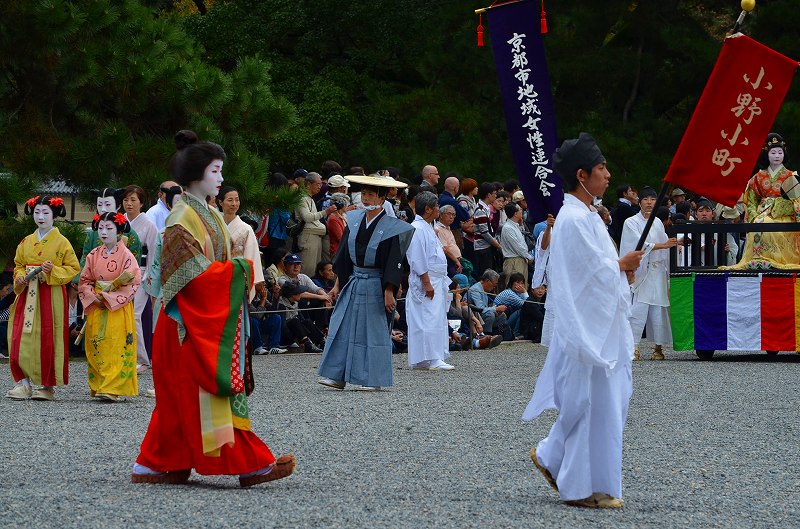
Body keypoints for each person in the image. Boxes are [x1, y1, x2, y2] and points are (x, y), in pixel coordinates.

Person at [132, 130, 294, 487]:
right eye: (216, 171)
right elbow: (187, 276)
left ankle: (159, 464)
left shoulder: (207, 213)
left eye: (221, 171)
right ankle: (248, 464)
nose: (221, 179)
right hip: (186, 323)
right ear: (197, 175)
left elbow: (204, 268)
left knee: (181, 400)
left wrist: (233, 270)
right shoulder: (181, 218)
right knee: (203, 396)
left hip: (199, 320)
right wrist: (239, 271)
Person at [523, 132, 643, 509]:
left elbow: (598, 271)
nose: (607, 175)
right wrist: (619, 266)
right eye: (601, 168)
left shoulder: (586, 215)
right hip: (588, 330)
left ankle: (553, 456)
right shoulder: (573, 220)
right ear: (581, 175)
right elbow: (582, 278)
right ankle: (582, 486)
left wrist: (621, 270)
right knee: (592, 405)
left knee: (610, 401)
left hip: (602, 326)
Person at [318, 173, 413, 391]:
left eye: (371, 195)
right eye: (364, 194)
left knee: (373, 332)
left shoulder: (392, 226)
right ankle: (337, 375)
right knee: (343, 326)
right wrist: (337, 284)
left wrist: (389, 290)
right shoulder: (353, 220)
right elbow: (343, 256)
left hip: (376, 283)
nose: (366, 199)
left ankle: (373, 379)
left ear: (382, 199)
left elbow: (394, 261)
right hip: (354, 280)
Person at [6, 196, 81, 401]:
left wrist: (53, 270)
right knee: (20, 335)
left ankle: (47, 386)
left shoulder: (62, 242)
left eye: (45, 213)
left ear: (54, 216)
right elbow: (18, 263)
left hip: (50, 294)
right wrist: (19, 275)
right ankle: (24, 383)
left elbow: (73, 268)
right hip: (27, 292)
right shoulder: (26, 241)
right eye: (37, 212)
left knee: (49, 337)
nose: (40, 216)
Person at [78, 211, 142, 402]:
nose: (104, 232)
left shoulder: (127, 256)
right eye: (101, 228)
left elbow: (133, 282)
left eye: (109, 228)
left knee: (116, 344)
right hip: (97, 304)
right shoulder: (93, 254)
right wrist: (92, 296)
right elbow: (85, 280)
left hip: (116, 307)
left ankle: (114, 387)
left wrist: (108, 298)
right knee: (97, 344)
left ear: (119, 230)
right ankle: (100, 384)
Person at [726, 133, 800, 269]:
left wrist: (781, 206)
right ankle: (756, 259)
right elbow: (751, 200)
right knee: (759, 224)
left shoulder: (790, 176)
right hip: (761, 213)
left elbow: (797, 201)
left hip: (783, 216)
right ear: (767, 154)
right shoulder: (758, 177)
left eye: (780, 152)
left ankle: (776, 260)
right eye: (773, 153)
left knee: (770, 225)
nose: (777, 156)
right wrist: (753, 215)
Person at [619, 186, 677, 361]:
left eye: (653, 199)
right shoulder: (631, 222)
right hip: (643, 270)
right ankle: (633, 346)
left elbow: (664, 247)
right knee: (638, 309)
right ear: (639, 202)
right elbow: (638, 244)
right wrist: (663, 245)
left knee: (659, 309)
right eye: (646, 199)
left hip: (658, 270)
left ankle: (658, 348)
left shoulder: (657, 222)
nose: (649, 202)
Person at [407, 191, 454, 371]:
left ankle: (430, 357)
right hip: (427, 278)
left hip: (436, 277)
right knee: (427, 318)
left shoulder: (427, 226)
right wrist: (426, 282)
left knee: (434, 317)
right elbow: (417, 258)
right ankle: (430, 358)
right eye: (435, 208)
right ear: (427, 209)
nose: (438, 211)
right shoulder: (417, 229)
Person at [122, 185, 158, 371]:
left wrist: (150, 276)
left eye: (133, 200)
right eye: (126, 200)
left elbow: (153, 252)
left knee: (134, 315)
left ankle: (143, 358)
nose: (129, 203)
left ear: (142, 203)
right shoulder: (120, 221)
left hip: (141, 273)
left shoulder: (149, 225)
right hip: (120, 275)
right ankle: (124, 354)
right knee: (121, 315)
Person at [216, 186, 268, 303]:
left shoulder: (246, 229)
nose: (234, 204)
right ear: (220, 202)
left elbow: (251, 257)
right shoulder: (215, 225)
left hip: (237, 279)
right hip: (216, 276)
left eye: (237, 200)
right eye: (230, 200)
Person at [296, 172, 337, 275]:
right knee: (307, 271)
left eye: (320, 184)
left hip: (315, 237)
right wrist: (326, 212)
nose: (320, 187)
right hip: (308, 237)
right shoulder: (302, 198)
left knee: (315, 270)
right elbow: (307, 217)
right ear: (308, 184)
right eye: (317, 184)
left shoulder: (310, 198)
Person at [472, 183, 502, 279]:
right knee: (485, 276)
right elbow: (484, 232)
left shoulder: (485, 208)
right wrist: (497, 245)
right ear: (488, 195)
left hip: (486, 247)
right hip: (483, 248)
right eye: (494, 193)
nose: (495, 195)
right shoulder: (480, 210)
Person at [500, 202, 532, 288]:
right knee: (516, 289)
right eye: (519, 209)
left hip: (520, 259)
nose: (521, 210)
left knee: (523, 288)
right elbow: (518, 247)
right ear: (515, 213)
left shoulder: (515, 226)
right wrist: (529, 257)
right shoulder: (508, 228)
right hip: (513, 261)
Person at [467, 269, 507, 337]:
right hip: (474, 316)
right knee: (490, 314)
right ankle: (486, 336)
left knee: (502, 316)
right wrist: (496, 309)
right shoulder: (475, 290)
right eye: (494, 285)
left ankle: (496, 334)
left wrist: (496, 311)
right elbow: (480, 309)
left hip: (482, 315)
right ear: (487, 281)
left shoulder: (484, 289)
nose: (494, 288)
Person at [435, 205, 462, 276]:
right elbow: (445, 249)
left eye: (453, 215)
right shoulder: (438, 229)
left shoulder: (447, 228)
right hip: (450, 263)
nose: (451, 217)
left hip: (456, 262)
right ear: (440, 215)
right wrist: (456, 261)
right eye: (449, 214)